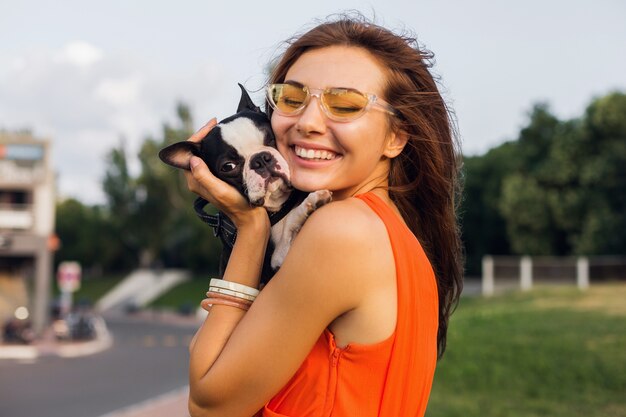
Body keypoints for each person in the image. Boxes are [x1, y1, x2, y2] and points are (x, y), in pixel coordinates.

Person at [185, 14, 463, 417]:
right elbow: (209, 351)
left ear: (395, 136)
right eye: (292, 98)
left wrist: (249, 225)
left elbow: (210, 403)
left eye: (345, 104)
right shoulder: (385, 231)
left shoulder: (342, 232)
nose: (308, 122)